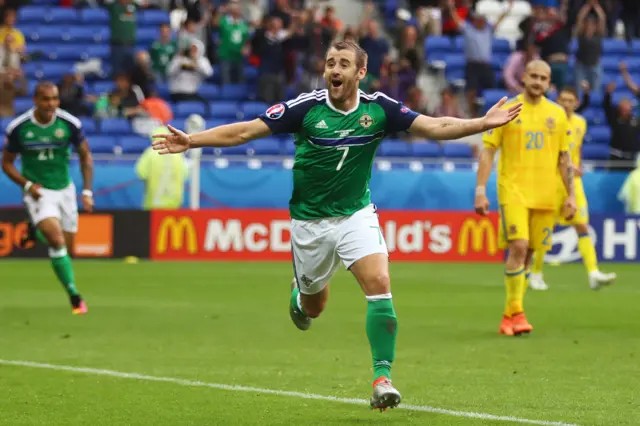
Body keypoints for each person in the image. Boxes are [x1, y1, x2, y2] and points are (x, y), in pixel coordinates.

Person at [151, 40, 521, 410]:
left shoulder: (379, 109)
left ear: (360, 72)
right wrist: (192, 140)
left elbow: (435, 125)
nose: (334, 70)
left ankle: (382, 378)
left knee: (379, 283)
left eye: (344, 63)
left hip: (356, 214)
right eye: (330, 63)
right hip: (310, 224)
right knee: (314, 308)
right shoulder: (305, 108)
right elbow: (246, 131)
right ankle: (300, 294)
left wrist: (480, 123)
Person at [475, 60, 575, 337]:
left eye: (544, 78)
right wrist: (480, 189)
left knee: (530, 254)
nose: (538, 82)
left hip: (545, 195)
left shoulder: (557, 114)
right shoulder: (507, 111)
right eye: (533, 76)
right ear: (524, 77)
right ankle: (517, 313)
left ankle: (510, 315)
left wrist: (572, 196)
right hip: (514, 191)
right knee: (518, 246)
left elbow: (564, 159)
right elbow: (488, 150)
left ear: (549, 82)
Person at [1, 81, 94, 315]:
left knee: (67, 251)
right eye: (46, 99)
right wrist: (28, 184)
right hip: (38, 192)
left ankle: (36, 230)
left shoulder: (70, 124)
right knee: (57, 241)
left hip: (65, 190)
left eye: (55, 99)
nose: (51, 104)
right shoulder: (19, 128)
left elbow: (85, 157)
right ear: (36, 100)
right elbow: (7, 163)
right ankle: (75, 296)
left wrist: (87, 191)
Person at [529, 87, 616, 291]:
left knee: (582, 225)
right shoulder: (548, 121)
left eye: (570, 100)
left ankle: (593, 273)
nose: (566, 103)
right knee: (545, 228)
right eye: (562, 99)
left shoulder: (580, 123)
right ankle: (536, 273)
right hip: (552, 180)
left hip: (573, 182)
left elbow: (576, 149)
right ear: (556, 101)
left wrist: (578, 166)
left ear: (576, 103)